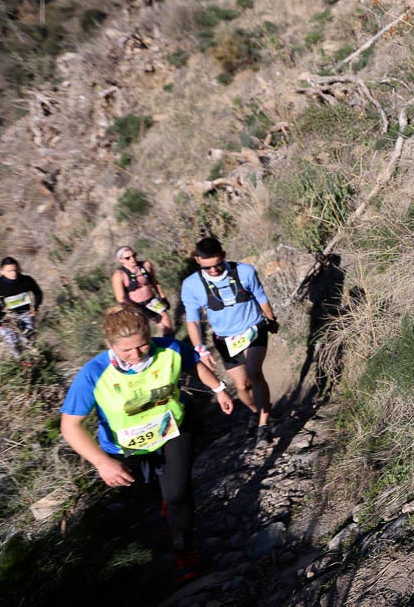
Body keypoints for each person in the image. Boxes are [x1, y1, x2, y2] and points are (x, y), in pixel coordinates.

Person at [60, 302, 234, 582]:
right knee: (153, 493)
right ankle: (162, 506)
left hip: (173, 431)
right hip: (127, 449)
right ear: (109, 344)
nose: (136, 354)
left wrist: (219, 389)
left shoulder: (168, 349)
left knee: (177, 494)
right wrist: (102, 463)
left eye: (142, 345)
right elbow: (70, 426)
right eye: (126, 350)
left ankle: (184, 549)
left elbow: (193, 363)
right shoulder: (93, 374)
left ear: (149, 334)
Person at [181, 237, 280, 443]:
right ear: (197, 260)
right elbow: (193, 320)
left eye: (218, 265)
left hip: (253, 329)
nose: (214, 271)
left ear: (224, 256)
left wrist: (271, 320)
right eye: (207, 268)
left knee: (254, 373)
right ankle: (257, 410)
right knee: (242, 386)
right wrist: (200, 348)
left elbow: (261, 297)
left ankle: (264, 424)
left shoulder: (245, 271)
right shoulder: (191, 285)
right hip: (225, 338)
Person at [0, 257, 43, 359]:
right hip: (6, 319)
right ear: (2, 272)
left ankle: (31, 362)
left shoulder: (26, 280)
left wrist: (36, 307)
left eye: (15, 270)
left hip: (25, 314)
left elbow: (38, 293)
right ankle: (19, 363)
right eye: (9, 271)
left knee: (28, 341)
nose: (13, 273)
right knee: (13, 344)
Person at [112, 245, 175, 336]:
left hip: (151, 300)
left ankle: (170, 341)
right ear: (121, 260)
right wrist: (132, 310)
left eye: (134, 255)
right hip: (135, 306)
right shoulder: (119, 275)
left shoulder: (146, 265)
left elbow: (155, 282)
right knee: (143, 330)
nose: (132, 259)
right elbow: (120, 298)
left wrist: (162, 297)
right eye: (128, 258)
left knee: (165, 320)